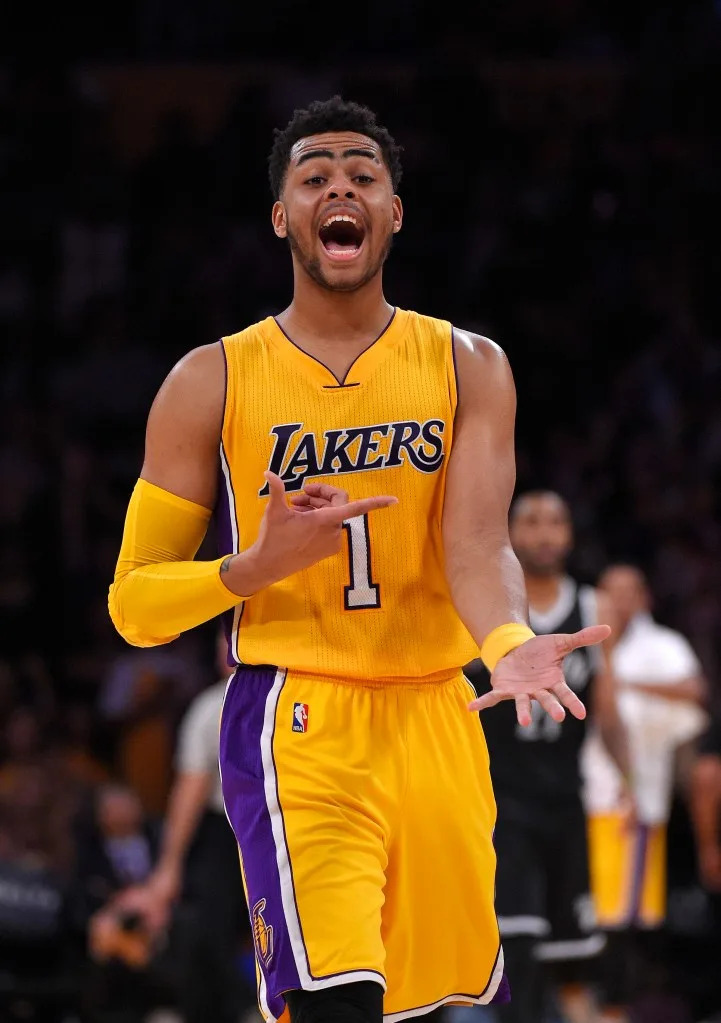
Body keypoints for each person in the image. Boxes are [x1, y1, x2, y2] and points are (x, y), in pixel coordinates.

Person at [107, 96, 610, 1023]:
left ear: (393, 211)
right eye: (314, 175)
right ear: (282, 216)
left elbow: (474, 542)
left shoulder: (468, 365)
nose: (339, 185)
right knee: (333, 1001)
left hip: (436, 711)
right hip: (298, 715)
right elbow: (134, 605)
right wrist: (251, 567)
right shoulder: (208, 380)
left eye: (361, 174)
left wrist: (507, 636)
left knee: (419, 1003)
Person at [463, 491, 633, 1023]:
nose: (544, 533)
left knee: (575, 961)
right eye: (531, 521)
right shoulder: (483, 606)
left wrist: (629, 779)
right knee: (515, 952)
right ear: (510, 533)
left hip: (565, 801)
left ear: (570, 534)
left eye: (556, 521)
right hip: (498, 803)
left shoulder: (592, 608)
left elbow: (606, 705)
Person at [581, 563, 709, 1022]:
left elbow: (693, 689)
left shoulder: (663, 645)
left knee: (624, 917)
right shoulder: (582, 639)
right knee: (588, 914)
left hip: (632, 801)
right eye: (609, 591)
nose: (619, 600)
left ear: (646, 597)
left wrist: (625, 679)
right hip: (578, 796)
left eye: (629, 590)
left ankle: (618, 1009)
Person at [140, 626, 256, 1023]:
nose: (222, 648)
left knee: (217, 936)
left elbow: (189, 791)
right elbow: (191, 791)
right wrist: (170, 866)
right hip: (249, 832)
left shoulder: (215, 705)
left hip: (247, 833)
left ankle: (243, 1009)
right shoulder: (216, 705)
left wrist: (168, 867)